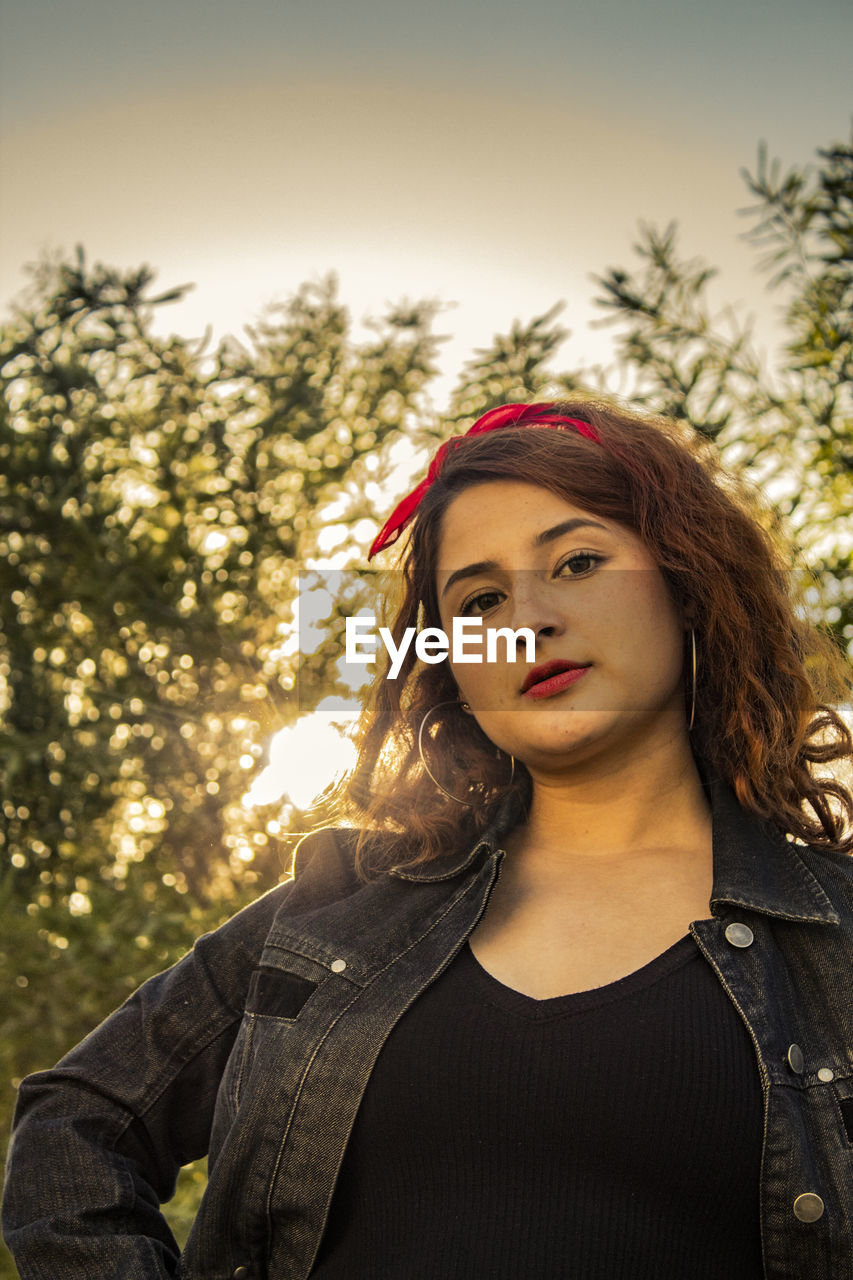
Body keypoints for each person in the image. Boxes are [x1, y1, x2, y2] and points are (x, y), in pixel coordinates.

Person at [3, 397, 852, 1280]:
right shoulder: (337, 904)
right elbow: (77, 1119)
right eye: (481, 599)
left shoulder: (834, 942)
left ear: (686, 584)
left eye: (577, 561)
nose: (527, 617)